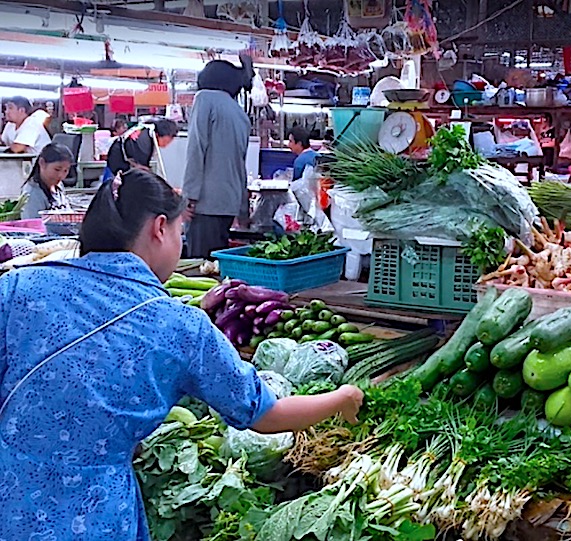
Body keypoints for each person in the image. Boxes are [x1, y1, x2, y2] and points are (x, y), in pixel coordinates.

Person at [0, 169, 364, 540]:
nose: (179, 242)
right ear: (160, 228)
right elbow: (265, 414)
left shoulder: (19, 286)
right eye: (180, 232)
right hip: (95, 516)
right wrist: (343, 397)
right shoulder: (180, 326)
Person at [183, 55, 255, 258]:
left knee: (199, 267)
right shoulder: (239, 114)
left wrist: (189, 197)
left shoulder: (205, 99)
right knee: (216, 267)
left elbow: (196, 149)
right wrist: (242, 210)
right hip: (228, 204)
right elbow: (239, 163)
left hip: (206, 204)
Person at [106, 117, 178, 178]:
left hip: (123, 163)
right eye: (170, 138)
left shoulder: (147, 131)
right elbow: (142, 171)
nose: (170, 142)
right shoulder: (143, 143)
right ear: (162, 134)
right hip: (118, 167)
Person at [20, 143, 74, 219]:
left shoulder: (58, 185)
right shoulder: (31, 194)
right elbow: (33, 225)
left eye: (65, 170)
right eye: (57, 169)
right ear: (42, 163)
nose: (61, 176)